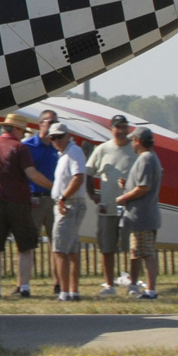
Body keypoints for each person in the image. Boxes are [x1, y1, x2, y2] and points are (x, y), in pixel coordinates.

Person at [0, 112, 53, 299]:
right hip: (19, 203)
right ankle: (24, 286)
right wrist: (53, 186)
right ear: (16, 129)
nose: (22, 135)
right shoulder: (20, 149)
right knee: (25, 246)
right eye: (22, 131)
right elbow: (32, 174)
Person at [85, 114, 137, 296]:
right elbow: (88, 172)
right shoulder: (102, 149)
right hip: (108, 207)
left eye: (124, 127)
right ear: (111, 129)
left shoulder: (135, 148)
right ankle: (109, 285)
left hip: (131, 208)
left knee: (133, 248)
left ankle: (133, 284)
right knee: (107, 248)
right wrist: (92, 195)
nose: (122, 131)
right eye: (118, 127)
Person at [115, 127, 162, 300]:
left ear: (139, 141)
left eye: (133, 140)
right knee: (137, 251)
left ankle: (150, 290)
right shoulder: (150, 158)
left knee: (147, 252)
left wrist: (124, 197)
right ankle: (136, 285)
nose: (132, 144)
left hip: (142, 214)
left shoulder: (145, 159)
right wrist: (127, 185)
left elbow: (143, 187)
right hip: (143, 214)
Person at [47, 122, 87, 301]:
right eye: (52, 138)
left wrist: (63, 198)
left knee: (60, 250)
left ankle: (64, 292)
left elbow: (78, 178)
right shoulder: (64, 154)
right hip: (68, 203)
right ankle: (72, 291)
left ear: (67, 135)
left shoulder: (74, 152)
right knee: (71, 250)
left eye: (59, 137)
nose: (56, 140)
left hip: (69, 204)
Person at [23, 109, 60, 247]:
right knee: (30, 242)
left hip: (53, 199)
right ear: (41, 124)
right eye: (51, 122)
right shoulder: (28, 146)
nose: (54, 125)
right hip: (34, 200)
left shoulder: (58, 147)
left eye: (56, 122)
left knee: (57, 242)